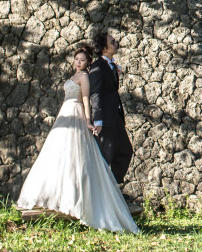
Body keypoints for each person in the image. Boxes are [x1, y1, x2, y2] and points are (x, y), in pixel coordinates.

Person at [16, 45, 139, 233]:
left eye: (82, 60)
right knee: (58, 152)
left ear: (88, 63)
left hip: (77, 112)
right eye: (77, 59)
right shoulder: (73, 77)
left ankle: (77, 199)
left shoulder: (84, 77)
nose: (79, 62)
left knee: (77, 153)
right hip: (65, 113)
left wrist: (89, 120)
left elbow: (86, 98)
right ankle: (54, 196)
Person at [88, 31, 134, 197]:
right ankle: (98, 192)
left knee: (125, 151)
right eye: (112, 42)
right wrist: (98, 119)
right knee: (105, 155)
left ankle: (113, 185)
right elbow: (96, 94)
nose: (116, 43)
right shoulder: (98, 67)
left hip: (115, 118)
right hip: (106, 120)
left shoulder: (110, 65)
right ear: (104, 48)